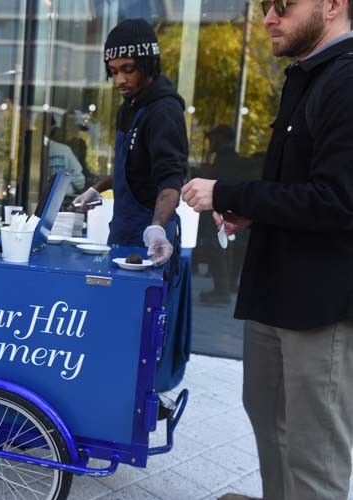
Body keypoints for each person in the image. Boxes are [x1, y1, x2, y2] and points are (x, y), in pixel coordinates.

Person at [182, 1, 353, 498]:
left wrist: (230, 193)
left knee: (313, 457)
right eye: (263, 6)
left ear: (333, 5)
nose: (268, 17)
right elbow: (303, 190)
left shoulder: (345, 79)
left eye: (283, 4)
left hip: (320, 307)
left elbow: (340, 201)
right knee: (269, 425)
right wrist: (253, 210)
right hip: (276, 296)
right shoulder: (306, 76)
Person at [72, 18, 188, 266]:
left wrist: (156, 229)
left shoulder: (164, 111)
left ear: (148, 65)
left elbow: (170, 179)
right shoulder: (128, 108)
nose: (120, 80)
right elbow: (131, 167)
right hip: (121, 232)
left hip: (152, 243)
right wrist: (97, 188)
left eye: (128, 69)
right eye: (113, 72)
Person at [194, 125, 260, 305]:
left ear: (221, 137)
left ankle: (222, 291)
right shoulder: (228, 159)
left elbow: (216, 185)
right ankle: (224, 287)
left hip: (223, 214)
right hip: (231, 213)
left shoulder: (226, 159)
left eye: (212, 138)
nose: (209, 143)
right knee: (225, 250)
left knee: (218, 249)